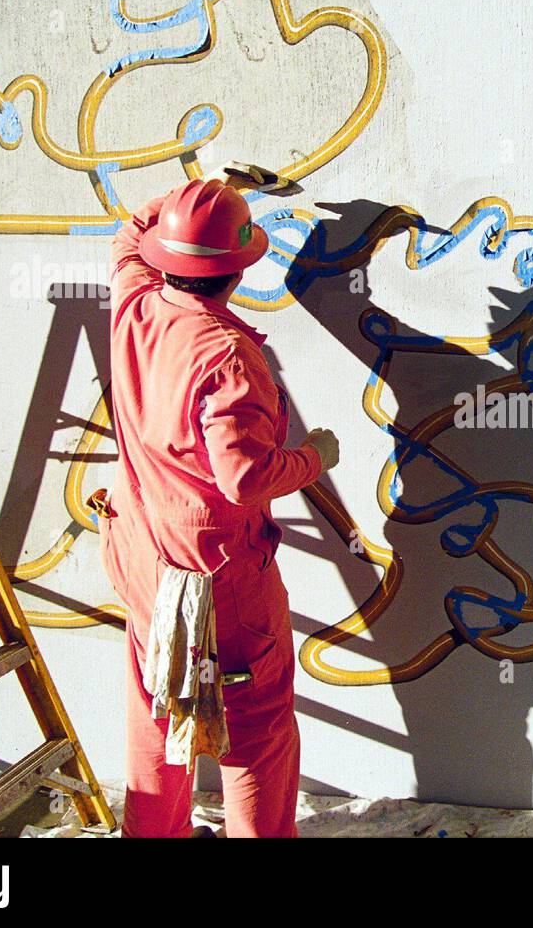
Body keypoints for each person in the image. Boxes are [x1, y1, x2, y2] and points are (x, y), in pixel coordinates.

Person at [97, 175, 338, 837]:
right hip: (217, 580)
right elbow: (245, 476)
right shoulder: (228, 356)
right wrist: (317, 457)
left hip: (144, 557)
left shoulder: (135, 306)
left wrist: (194, 200)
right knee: (253, 730)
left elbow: (128, 241)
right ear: (238, 271)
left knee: (156, 709)